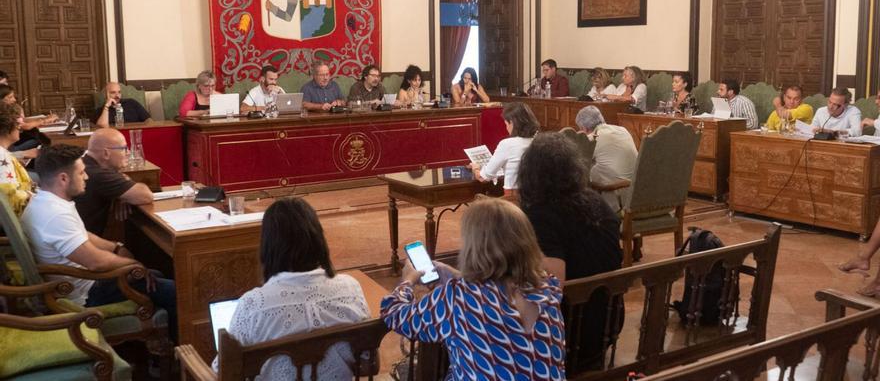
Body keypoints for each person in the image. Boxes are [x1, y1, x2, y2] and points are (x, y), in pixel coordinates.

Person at [381, 197, 566, 381]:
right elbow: (499, 296)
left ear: (473, 246)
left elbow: (394, 314)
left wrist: (408, 281)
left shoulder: (458, 296)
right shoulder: (548, 287)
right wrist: (458, 276)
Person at [20, 144, 176, 336]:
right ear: (63, 178)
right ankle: (184, 351)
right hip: (85, 293)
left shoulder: (44, 200)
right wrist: (133, 265)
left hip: (81, 281)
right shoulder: (55, 214)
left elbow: (83, 234)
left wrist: (116, 247)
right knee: (177, 292)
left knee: (156, 274)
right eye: (82, 172)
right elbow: (95, 262)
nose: (86, 177)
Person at [212, 198, 369, 378]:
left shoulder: (252, 305)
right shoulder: (350, 288)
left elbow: (223, 374)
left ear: (268, 247)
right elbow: (369, 366)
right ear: (318, 239)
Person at [517, 132, 622, 372]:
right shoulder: (598, 203)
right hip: (609, 321)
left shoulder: (542, 216)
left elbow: (550, 289)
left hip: (572, 333)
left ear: (530, 174)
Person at [74, 128, 154, 237]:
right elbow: (145, 196)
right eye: (123, 148)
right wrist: (124, 191)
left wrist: (120, 195)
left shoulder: (85, 163)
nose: (128, 153)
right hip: (83, 244)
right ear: (106, 153)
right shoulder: (99, 174)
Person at [574, 106, 637, 211]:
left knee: (587, 172)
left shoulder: (592, 139)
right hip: (636, 189)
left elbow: (578, 162)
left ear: (584, 129)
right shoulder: (623, 129)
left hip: (617, 190)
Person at [470, 102, 539, 195]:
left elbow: (483, 177)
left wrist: (475, 168)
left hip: (514, 198)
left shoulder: (507, 144)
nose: (506, 128)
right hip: (537, 195)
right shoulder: (539, 141)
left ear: (512, 123)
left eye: (506, 124)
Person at [0, 103, 34, 216]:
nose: (21, 130)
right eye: (18, 127)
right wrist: (35, 197)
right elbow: (9, 194)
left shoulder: (4, 153)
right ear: (8, 128)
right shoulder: (2, 156)